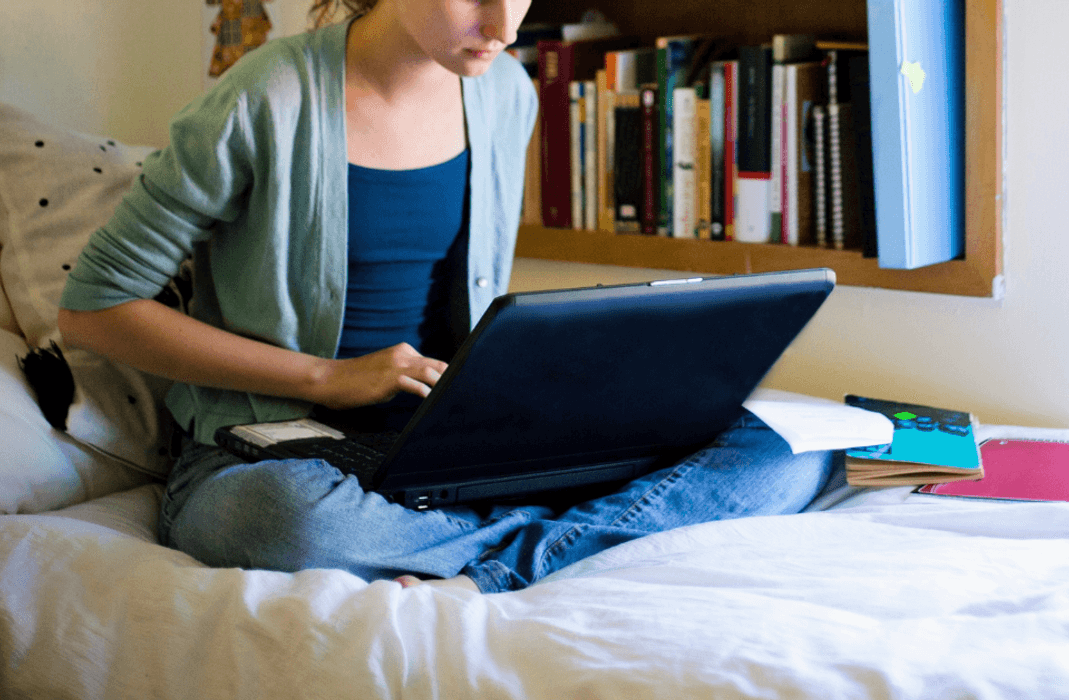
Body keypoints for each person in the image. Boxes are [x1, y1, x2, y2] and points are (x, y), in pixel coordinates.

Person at [57, 0, 834, 594]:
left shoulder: (504, 93)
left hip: (457, 441)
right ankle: (564, 541)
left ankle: (493, 559)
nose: (501, 24)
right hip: (279, 455)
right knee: (282, 526)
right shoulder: (261, 98)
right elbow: (94, 307)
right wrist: (328, 377)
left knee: (784, 453)